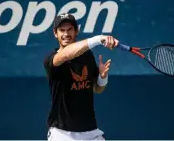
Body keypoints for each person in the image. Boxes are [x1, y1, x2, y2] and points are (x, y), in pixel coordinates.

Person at [43, 13, 119, 141]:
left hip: (91, 131)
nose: (66, 34)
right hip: (62, 133)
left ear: (76, 31)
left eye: (70, 29)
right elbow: (67, 54)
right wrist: (99, 39)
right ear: (55, 33)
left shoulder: (87, 56)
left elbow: (97, 88)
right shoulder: (52, 60)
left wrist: (102, 77)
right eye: (62, 30)